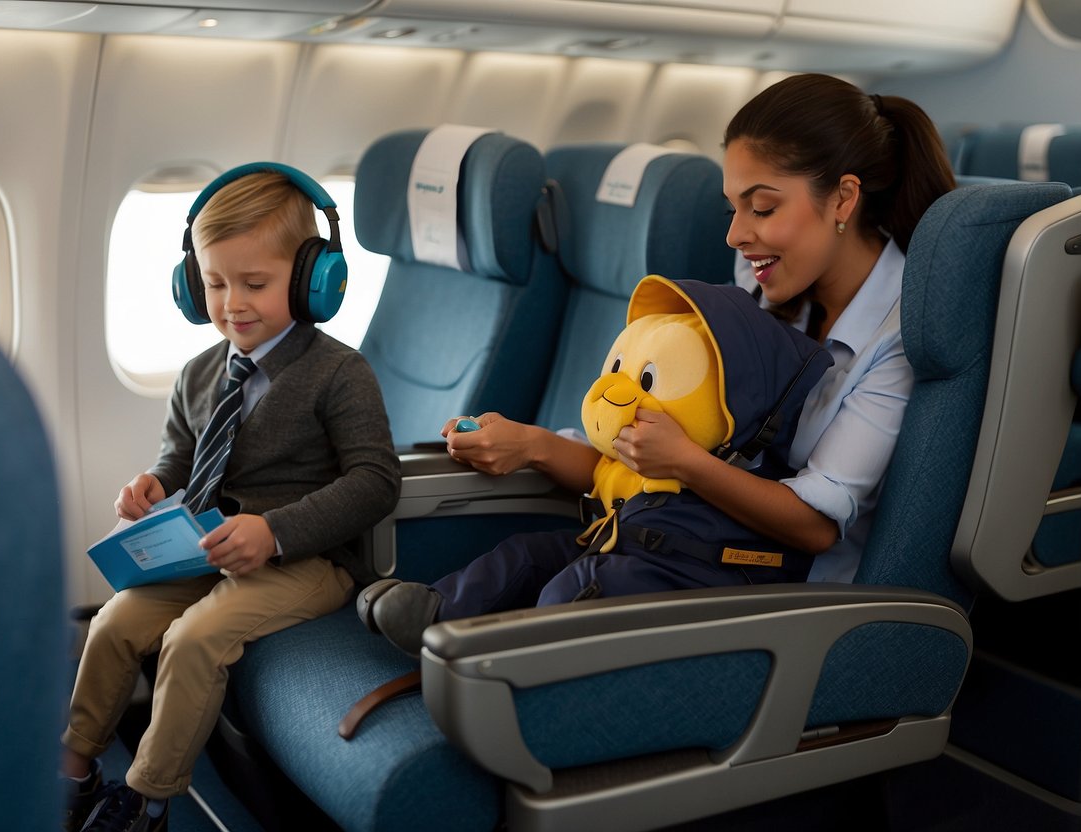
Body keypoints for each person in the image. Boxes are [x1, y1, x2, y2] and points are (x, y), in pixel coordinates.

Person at [358, 73, 956, 654]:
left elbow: (816, 525)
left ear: (844, 198)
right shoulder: (757, 289)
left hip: (780, 604)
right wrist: (532, 445)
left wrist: (687, 463)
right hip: (674, 543)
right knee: (535, 556)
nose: (736, 236)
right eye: (732, 211)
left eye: (763, 208)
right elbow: (653, 438)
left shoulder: (901, 335)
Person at [62, 167, 402, 832]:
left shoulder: (340, 374)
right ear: (192, 286)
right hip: (208, 547)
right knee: (112, 625)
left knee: (193, 638)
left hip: (307, 563)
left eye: (255, 284)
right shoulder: (199, 372)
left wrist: (272, 532)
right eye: (214, 284)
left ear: (312, 281)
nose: (231, 303)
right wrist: (154, 484)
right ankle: (73, 773)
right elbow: (181, 455)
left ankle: (148, 801)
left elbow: (375, 481)